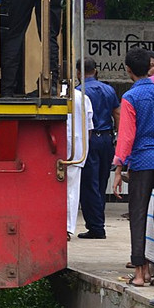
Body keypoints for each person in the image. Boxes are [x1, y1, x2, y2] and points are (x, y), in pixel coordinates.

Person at [113, 47, 154, 288]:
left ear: (128, 70)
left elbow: (127, 136)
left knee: (139, 216)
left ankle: (141, 273)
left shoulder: (130, 97)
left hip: (141, 162)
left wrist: (119, 166)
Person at [77, 57, 120, 239]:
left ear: (78, 73)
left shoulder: (79, 92)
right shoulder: (108, 89)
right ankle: (98, 221)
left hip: (90, 139)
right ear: (95, 70)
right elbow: (117, 113)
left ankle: (96, 227)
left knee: (89, 184)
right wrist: (117, 136)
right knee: (101, 182)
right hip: (107, 139)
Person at [66, 86, 94, 239]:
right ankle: (68, 228)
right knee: (72, 191)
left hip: (56, 146)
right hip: (77, 149)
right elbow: (89, 127)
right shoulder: (83, 98)